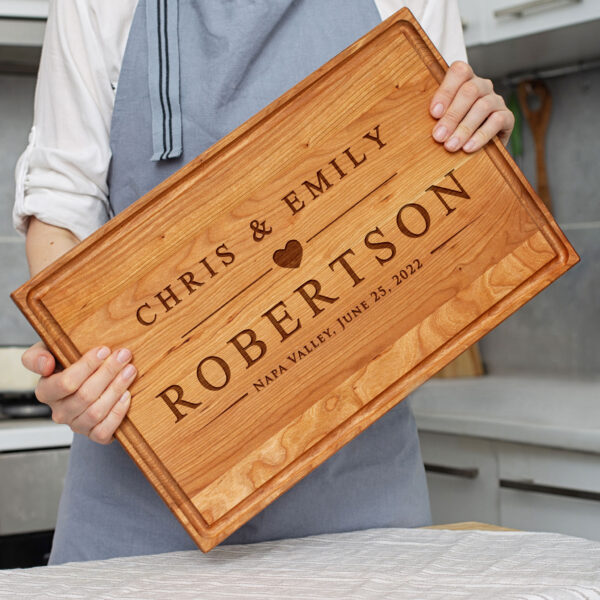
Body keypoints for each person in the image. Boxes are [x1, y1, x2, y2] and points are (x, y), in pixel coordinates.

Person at [14, 0, 514, 564]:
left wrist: (478, 131)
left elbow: (440, 179)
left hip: (356, 494)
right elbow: (61, 198)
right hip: (140, 486)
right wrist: (79, 362)